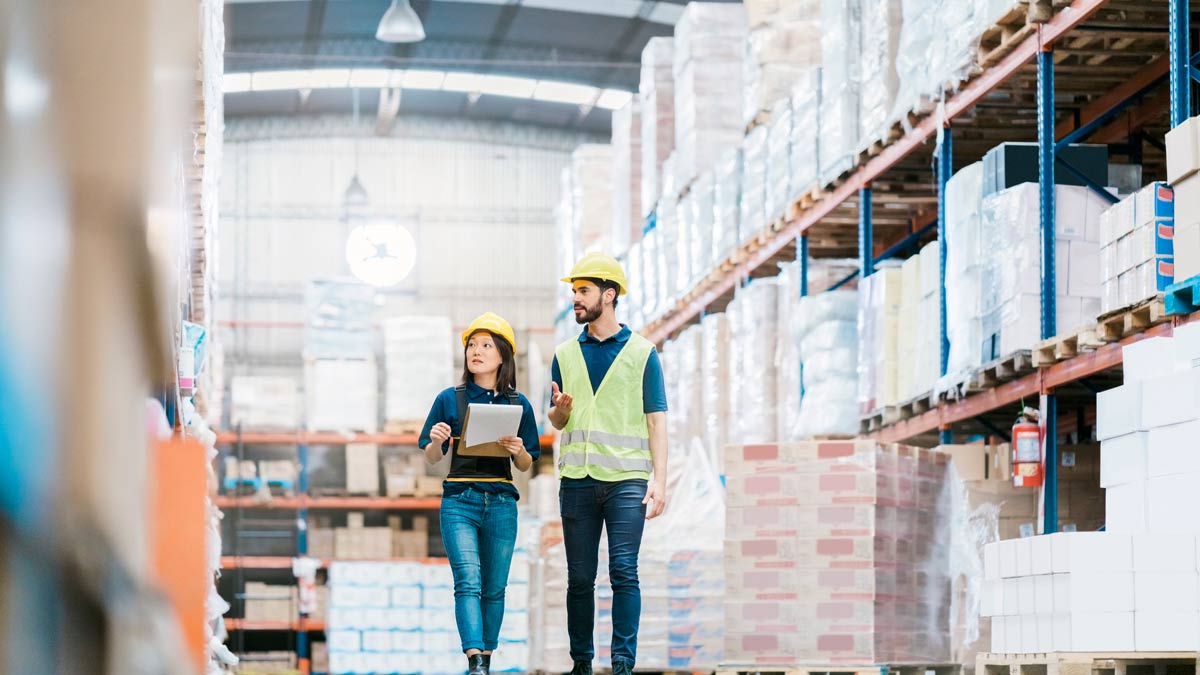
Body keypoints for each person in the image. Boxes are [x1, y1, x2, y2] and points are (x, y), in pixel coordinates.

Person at [548, 253, 669, 675]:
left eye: (583, 291)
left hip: (627, 480)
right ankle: (582, 662)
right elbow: (558, 419)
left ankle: (622, 663)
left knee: (623, 571)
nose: (576, 299)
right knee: (580, 579)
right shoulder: (564, 354)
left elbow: (657, 419)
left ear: (609, 294)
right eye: (574, 291)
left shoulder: (642, 353)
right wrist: (559, 411)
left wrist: (660, 480)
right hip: (577, 480)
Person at [419, 312, 541, 675]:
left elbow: (525, 465)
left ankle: (486, 660)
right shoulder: (449, 399)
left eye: (486, 345)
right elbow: (430, 455)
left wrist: (518, 448)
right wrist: (438, 441)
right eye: (472, 344)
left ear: (503, 355)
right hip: (459, 501)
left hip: (502, 502)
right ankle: (474, 659)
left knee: (495, 587)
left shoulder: (519, 404)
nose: (477, 350)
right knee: (468, 580)